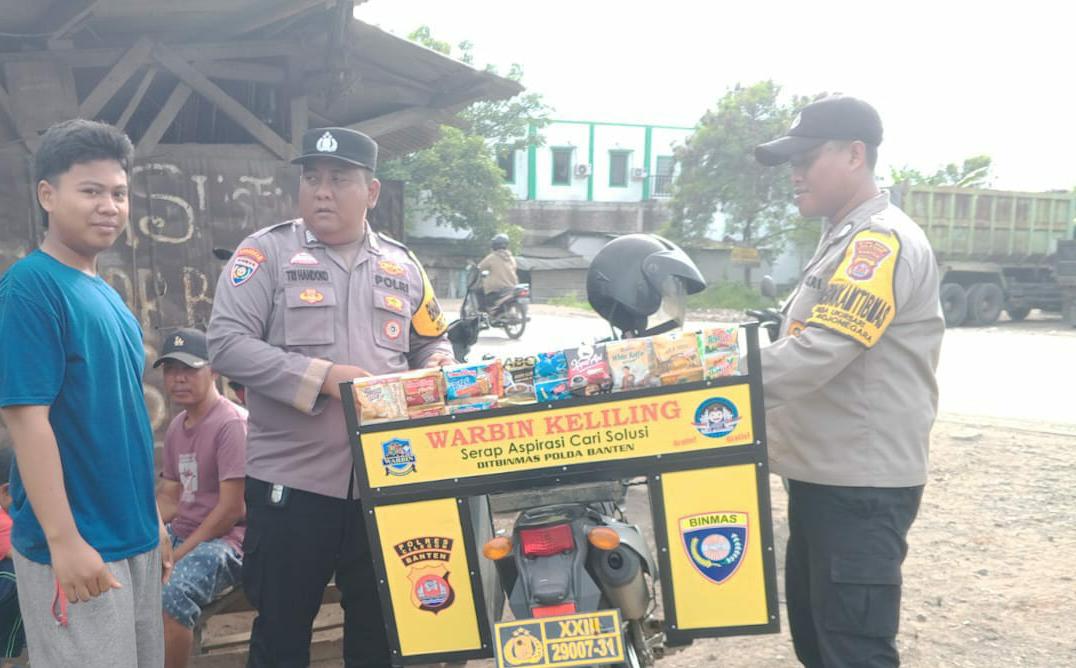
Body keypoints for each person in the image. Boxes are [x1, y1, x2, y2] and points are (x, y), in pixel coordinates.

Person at [207, 127, 454, 667]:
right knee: (281, 636)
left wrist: (438, 365)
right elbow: (226, 344)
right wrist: (323, 377)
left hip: (385, 480)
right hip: (292, 485)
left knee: (379, 636)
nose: (322, 191)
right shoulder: (266, 254)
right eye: (311, 178)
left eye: (339, 179)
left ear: (371, 191)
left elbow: (432, 340)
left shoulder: (403, 265)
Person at [754, 95, 944, 667]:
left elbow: (822, 349)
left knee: (852, 653)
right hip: (825, 477)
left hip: (860, 490)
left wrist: (722, 384)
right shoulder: (844, 235)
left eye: (807, 159)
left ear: (855, 155)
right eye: (792, 163)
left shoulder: (878, 242)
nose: (795, 174)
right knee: (819, 645)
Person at [0, 119, 172, 666]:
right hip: (78, 544)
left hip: (133, 536)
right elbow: (27, 420)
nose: (109, 207)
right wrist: (64, 541)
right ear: (47, 195)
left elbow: (126, 423)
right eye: (91, 191)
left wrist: (152, 520)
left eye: (119, 194)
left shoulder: (108, 297)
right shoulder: (31, 288)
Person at [154, 328, 247, 668]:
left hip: (230, 540)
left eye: (189, 369)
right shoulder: (177, 426)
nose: (178, 378)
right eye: (171, 370)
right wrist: (152, 529)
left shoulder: (231, 424)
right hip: (184, 532)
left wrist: (176, 555)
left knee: (170, 594)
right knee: (124, 570)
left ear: (214, 370)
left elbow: (230, 510)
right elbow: (170, 497)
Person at [0, 446, 26, 665]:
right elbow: (20, 556)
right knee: (18, 575)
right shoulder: (3, 522)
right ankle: (8, 654)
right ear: (6, 491)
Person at [477, 233, 518, 311]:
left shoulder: (492, 257)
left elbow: (480, 267)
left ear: (494, 245)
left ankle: (482, 311)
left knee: (478, 291)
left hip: (496, 289)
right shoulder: (512, 258)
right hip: (511, 288)